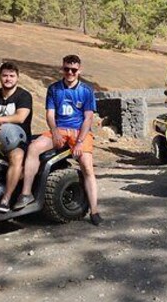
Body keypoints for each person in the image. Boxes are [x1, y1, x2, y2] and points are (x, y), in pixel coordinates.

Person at [15, 55, 102, 225]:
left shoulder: (86, 91)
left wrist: (79, 142)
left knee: (86, 166)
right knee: (33, 148)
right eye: (66, 69)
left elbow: (88, 118)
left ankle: (94, 210)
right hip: (59, 129)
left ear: (79, 71)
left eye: (74, 70)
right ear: (62, 69)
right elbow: (50, 114)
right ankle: (26, 193)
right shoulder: (54, 89)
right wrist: (54, 132)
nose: (70, 72)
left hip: (79, 131)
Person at [0, 62, 33, 213]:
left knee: (16, 157)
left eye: (11, 76)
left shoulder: (24, 96)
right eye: (5, 75)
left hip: (19, 139)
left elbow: (20, 117)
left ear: (17, 78)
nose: (8, 79)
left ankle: (6, 199)